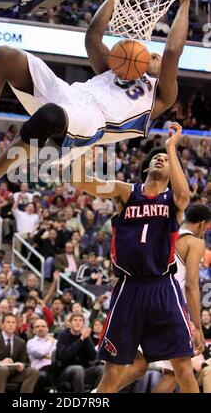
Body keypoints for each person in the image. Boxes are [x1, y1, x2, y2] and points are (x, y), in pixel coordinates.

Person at [0, 0, 196, 203]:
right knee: (6, 56)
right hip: (70, 94)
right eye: (152, 55)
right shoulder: (115, 70)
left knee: (49, 116)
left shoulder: (161, 95)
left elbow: (172, 50)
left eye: (157, 59)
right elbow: (92, 37)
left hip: (93, 121)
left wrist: (184, 3)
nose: (154, 57)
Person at [71, 123, 199, 393]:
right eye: (156, 158)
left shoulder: (172, 200)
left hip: (162, 286)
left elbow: (185, 196)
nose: (161, 159)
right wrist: (86, 153)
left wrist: (171, 147)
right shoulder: (126, 192)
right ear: (146, 167)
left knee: (183, 367)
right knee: (113, 370)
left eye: (164, 159)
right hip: (129, 287)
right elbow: (79, 181)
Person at [151, 204, 211, 393]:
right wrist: (198, 327)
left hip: (147, 302)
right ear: (202, 224)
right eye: (207, 227)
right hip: (170, 308)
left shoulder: (164, 235)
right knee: (183, 370)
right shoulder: (195, 242)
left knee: (169, 373)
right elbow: (191, 285)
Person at [0, 313, 39, 393]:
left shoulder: (21, 342)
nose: (11, 325)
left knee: (33, 371)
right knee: (3, 369)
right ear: (2, 325)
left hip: (15, 373)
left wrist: (21, 365)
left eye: (13, 322)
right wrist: (0, 363)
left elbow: (26, 362)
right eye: (8, 322)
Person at [56, 312, 103, 392]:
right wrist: (81, 339)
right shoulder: (63, 335)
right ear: (70, 323)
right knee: (78, 369)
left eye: (80, 320)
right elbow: (63, 355)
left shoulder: (85, 336)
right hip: (66, 370)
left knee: (101, 369)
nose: (78, 322)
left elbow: (93, 356)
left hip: (84, 369)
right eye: (75, 320)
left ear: (83, 324)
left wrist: (86, 338)